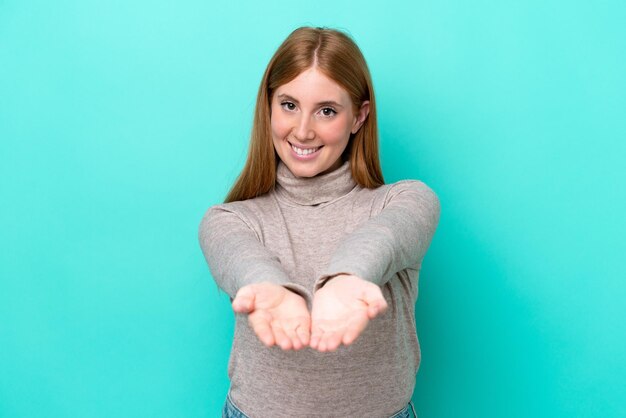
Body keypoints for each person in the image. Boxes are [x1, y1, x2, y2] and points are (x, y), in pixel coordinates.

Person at [199, 26, 440, 418]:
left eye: (326, 110)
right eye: (289, 105)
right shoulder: (229, 219)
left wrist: (348, 277)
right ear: (269, 107)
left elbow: (384, 236)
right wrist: (269, 286)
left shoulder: (405, 201)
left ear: (359, 116)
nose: (304, 130)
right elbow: (241, 259)